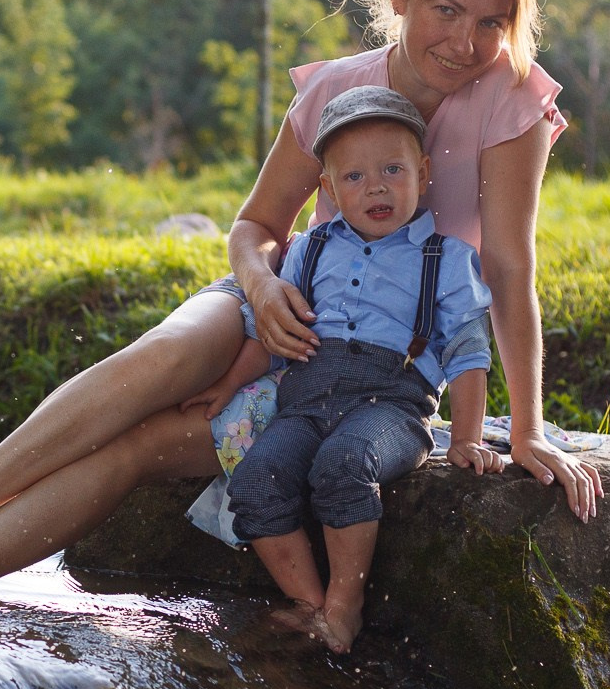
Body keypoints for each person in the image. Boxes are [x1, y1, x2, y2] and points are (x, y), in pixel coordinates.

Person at [0, 0, 600, 613]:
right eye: (448, 11)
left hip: (370, 360)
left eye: (492, 21)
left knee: (136, 450)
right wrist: (260, 288)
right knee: (161, 354)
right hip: (285, 299)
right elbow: (255, 224)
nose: (467, 40)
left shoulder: (511, 101)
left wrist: (524, 428)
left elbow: (507, 271)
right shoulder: (333, 89)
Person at [218, 84, 508, 653]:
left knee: (345, 462)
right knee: (255, 480)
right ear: (327, 188)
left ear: (423, 174)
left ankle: (344, 608)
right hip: (306, 404)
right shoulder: (312, 249)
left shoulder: (446, 259)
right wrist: (225, 387)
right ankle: (310, 604)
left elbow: (470, 352)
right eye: (353, 177)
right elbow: (270, 335)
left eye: (392, 169)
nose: (375, 186)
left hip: (392, 408)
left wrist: (467, 438)